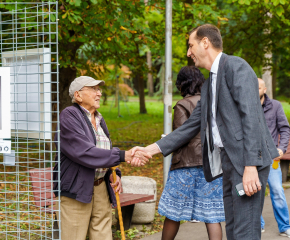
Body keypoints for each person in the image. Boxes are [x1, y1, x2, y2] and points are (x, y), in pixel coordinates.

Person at [130, 24, 279, 240]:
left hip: (246, 163)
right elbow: (190, 126)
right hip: (228, 162)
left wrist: (250, 166)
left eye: (191, 45)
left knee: (245, 232)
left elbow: (252, 117)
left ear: (205, 43)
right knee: (235, 230)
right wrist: (150, 150)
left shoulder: (236, 67)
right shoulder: (209, 83)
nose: (189, 52)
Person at [53, 76, 150, 240]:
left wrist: (114, 173)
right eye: (93, 89)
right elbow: (84, 152)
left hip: (100, 188)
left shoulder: (98, 118)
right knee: (73, 236)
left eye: (99, 89)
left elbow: (104, 151)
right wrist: (122, 155)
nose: (99, 93)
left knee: (103, 236)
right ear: (78, 95)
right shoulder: (69, 116)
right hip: (77, 189)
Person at [158, 66, 225, 240]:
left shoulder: (183, 104)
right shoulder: (213, 102)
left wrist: (167, 138)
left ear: (182, 84)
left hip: (185, 165)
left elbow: (181, 135)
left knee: (174, 212)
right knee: (212, 215)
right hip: (211, 164)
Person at [258, 78, 290, 237]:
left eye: (258, 88)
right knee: (254, 193)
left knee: (277, 190)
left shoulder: (276, 106)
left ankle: (285, 227)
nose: (254, 90)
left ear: (264, 90)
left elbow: (285, 129)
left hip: (272, 159)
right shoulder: (245, 106)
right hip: (253, 158)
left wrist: (282, 148)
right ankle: (258, 224)